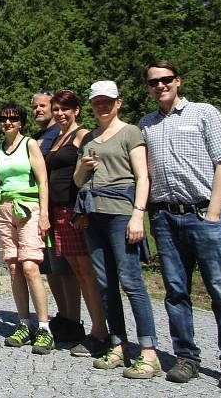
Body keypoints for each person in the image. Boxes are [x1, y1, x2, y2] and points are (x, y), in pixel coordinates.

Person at [140, 60, 221, 390]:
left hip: (202, 214)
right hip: (165, 217)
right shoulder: (146, 125)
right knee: (175, 291)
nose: (160, 85)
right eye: (154, 82)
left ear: (178, 81)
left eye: (166, 80)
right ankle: (186, 357)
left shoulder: (204, 113)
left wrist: (213, 212)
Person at [73, 81, 159, 379]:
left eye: (108, 101)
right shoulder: (90, 138)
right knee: (105, 283)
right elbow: (77, 180)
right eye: (97, 101)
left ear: (118, 102)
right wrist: (84, 166)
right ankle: (118, 344)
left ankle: (148, 352)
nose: (103, 106)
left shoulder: (130, 132)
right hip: (93, 215)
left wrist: (138, 215)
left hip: (122, 214)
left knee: (131, 281)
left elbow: (142, 176)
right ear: (92, 105)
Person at [43, 89, 109, 357]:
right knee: (75, 270)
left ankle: (100, 331)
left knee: (86, 272)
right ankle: (83, 326)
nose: (60, 113)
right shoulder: (58, 137)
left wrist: (84, 209)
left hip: (74, 210)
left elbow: (93, 169)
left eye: (65, 109)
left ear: (77, 110)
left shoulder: (82, 135)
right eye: (56, 109)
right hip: (58, 210)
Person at [0, 102, 54, 355]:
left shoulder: (30, 145)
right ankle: (24, 323)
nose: (8, 123)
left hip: (28, 209)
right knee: (13, 265)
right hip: (5, 208)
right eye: (3, 119)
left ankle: (45, 327)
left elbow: (42, 180)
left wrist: (44, 214)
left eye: (13, 119)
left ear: (21, 122)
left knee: (30, 265)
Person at [32, 90, 84, 344]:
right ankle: (64, 317)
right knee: (51, 266)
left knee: (69, 267)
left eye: (44, 106)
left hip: (67, 207)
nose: (39, 110)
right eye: (36, 107)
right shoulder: (46, 137)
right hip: (47, 209)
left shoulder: (68, 135)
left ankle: (75, 321)